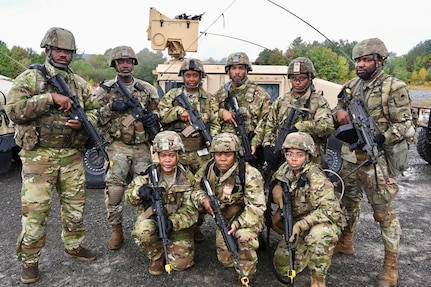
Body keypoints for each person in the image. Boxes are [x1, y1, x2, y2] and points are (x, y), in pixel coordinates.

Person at [4, 27, 98, 284]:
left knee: (75, 208)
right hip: (39, 158)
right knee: (36, 213)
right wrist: (49, 98)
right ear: (48, 49)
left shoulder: (79, 83)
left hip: (71, 155)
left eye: (68, 51)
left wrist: (84, 121)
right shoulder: (30, 78)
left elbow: (97, 111)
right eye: (59, 50)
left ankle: (74, 246)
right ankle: (30, 262)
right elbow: (13, 111)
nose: (64, 55)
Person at [332, 38, 414, 287]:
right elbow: (338, 105)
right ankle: (346, 241)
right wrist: (339, 113)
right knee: (347, 202)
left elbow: (406, 125)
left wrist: (382, 137)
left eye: (367, 60)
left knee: (383, 214)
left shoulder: (393, 87)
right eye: (358, 60)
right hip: (351, 157)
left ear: (380, 61)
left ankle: (390, 268)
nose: (361, 65)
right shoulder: (352, 86)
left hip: (376, 160)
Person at [97, 45, 160, 250]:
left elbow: (161, 110)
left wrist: (155, 116)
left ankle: (144, 228)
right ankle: (117, 231)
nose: (125, 65)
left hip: (142, 146)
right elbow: (92, 117)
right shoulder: (105, 90)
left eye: (128, 61)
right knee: (115, 190)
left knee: (144, 190)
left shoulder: (146, 88)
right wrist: (109, 107)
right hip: (117, 146)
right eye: (120, 62)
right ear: (114, 64)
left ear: (133, 64)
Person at [269, 132, 346, 287]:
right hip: (297, 218)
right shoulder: (285, 169)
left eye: (299, 154)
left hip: (321, 220)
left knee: (319, 236)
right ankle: (305, 249)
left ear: (308, 155)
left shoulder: (315, 176)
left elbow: (329, 210)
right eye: (289, 154)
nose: (293, 159)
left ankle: (318, 280)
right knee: (283, 267)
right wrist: (276, 191)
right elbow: (276, 183)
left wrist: (300, 225)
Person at [158, 58, 220, 242]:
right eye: (188, 75)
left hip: (200, 153)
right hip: (177, 153)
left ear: (201, 77)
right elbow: (160, 115)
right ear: (183, 76)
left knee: (201, 189)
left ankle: (196, 226)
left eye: (195, 75)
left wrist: (212, 139)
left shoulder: (208, 99)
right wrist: (179, 113)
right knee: (178, 190)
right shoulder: (172, 96)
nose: (191, 79)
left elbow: (215, 121)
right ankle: (179, 226)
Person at [193, 133, 266, 286]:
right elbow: (194, 188)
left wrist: (238, 224)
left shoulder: (250, 174)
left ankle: (246, 274)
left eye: (228, 154)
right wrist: (204, 199)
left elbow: (257, 207)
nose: (223, 158)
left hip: (247, 217)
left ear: (236, 154)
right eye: (219, 154)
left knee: (243, 237)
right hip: (224, 216)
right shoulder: (207, 168)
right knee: (226, 259)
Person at [124, 131, 198, 275]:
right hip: (153, 219)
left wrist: (172, 223)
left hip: (177, 222)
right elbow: (128, 197)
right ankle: (157, 256)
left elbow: (192, 210)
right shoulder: (149, 174)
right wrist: (139, 192)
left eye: (171, 155)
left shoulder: (187, 177)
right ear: (157, 156)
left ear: (178, 155)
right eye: (163, 155)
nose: (167, 160)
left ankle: (180, 241)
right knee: (143, 231)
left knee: (181, 264)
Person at [259, 57, 334, 175]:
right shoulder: (282, 101)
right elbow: (270, 124)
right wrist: (268, 145)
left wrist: (300, 127)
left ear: (310, 79)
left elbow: (327, 126)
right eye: (294, 78)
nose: (297, 82)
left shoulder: (318, 101)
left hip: (309, 158)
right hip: (283, 157)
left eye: (302, 78)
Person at [214, 51, 272, 169]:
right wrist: (221, 112)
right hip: (225, 152)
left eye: (241, 68)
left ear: (246, 70)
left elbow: (266, 121)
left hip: (250, 148)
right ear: (228, 71)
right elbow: (208, 112)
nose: (237, 72)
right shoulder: (221, 93)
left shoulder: (259, 94)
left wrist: (255, 143)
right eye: (234, 68)